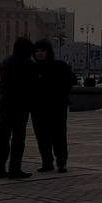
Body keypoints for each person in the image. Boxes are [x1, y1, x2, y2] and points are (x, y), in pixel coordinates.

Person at [31, 40, 76, 173]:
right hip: (38, 108)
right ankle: (47, 162)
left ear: (48, 52)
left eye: (42, 51)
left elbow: (71, 80)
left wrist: (60, 93)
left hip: (57, 107)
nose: (39, 54)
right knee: (42, 136)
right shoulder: (33, 68)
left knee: (59, 135)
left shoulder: (59, 66)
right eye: (37, 51)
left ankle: (61, 162)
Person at [0, 38, 37, 179]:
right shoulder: (29, 64)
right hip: (21, 106)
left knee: (3, 138)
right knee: (18, 139)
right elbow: (32, 86)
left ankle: (0, 169)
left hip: (6, 104)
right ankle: (15, 169)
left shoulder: (6, 62)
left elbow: (2, 83)